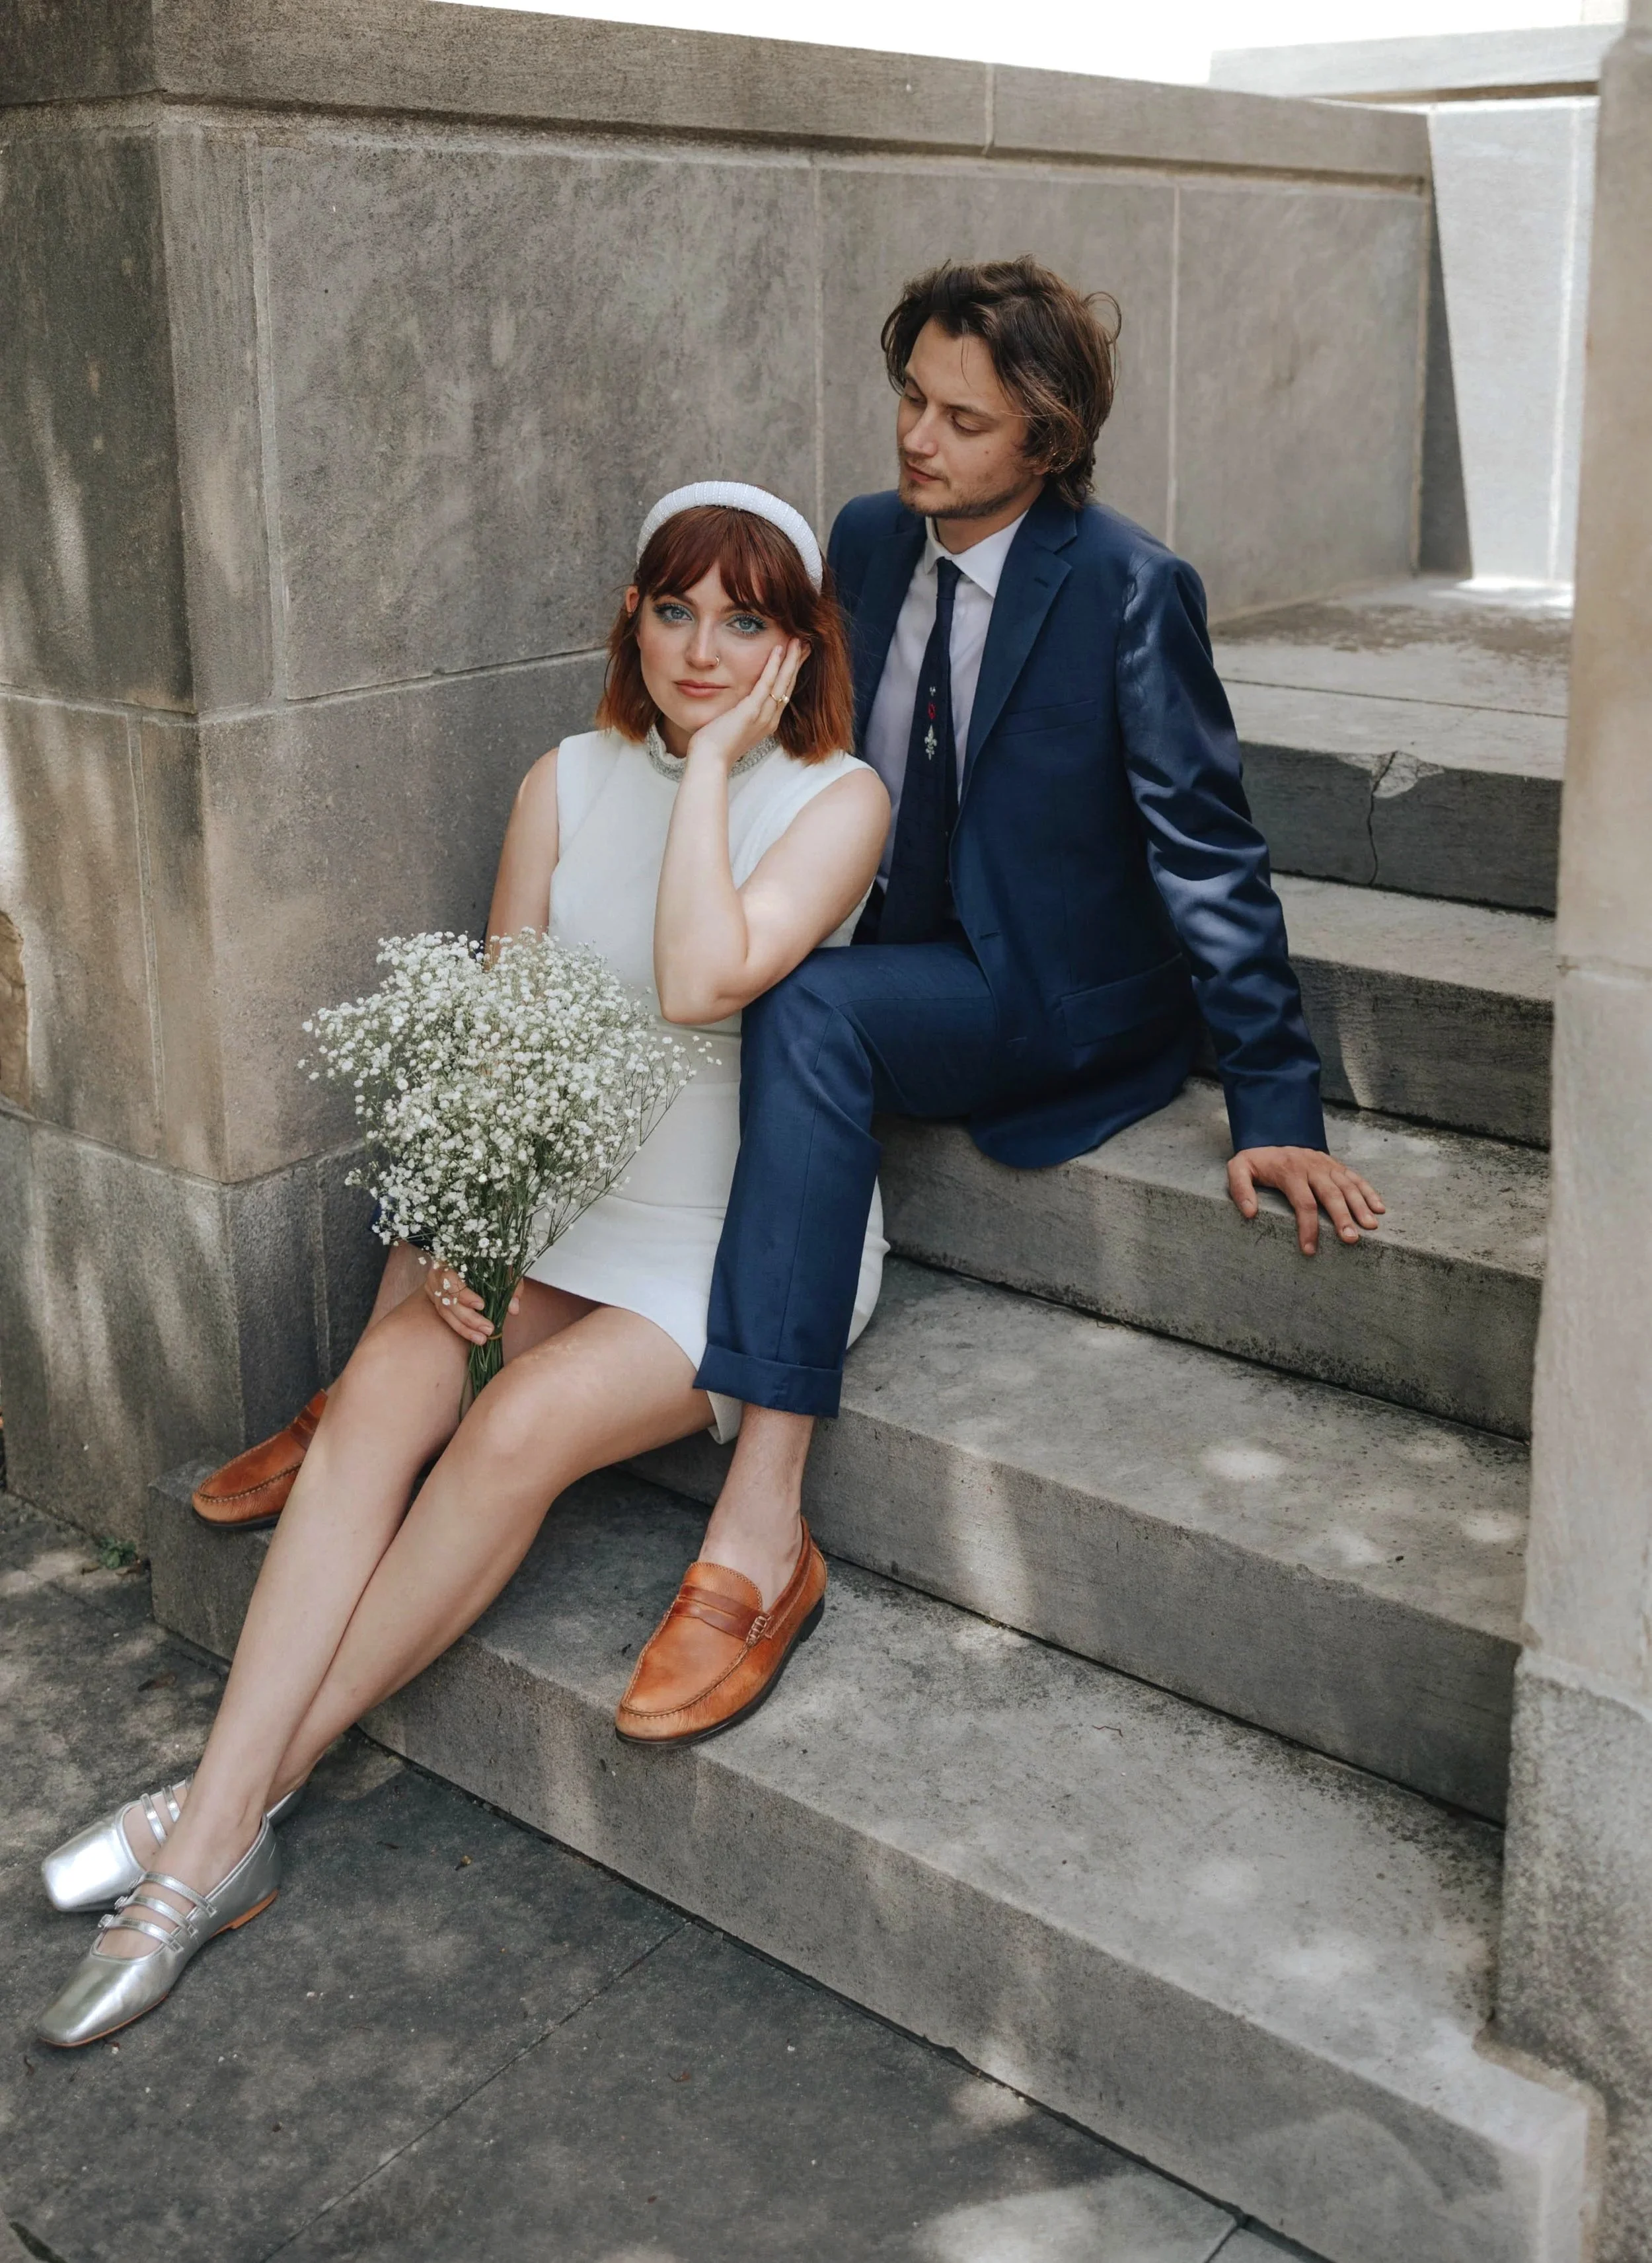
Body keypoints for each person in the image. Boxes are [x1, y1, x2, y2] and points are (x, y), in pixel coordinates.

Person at [198, 254, 1384, 1723]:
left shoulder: (1131, 591)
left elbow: (1207, 847)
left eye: (960, 418)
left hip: (1029, 985)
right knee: (593, 971)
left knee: (790, 1004)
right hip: (856, 916)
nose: (915, 437)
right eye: (908, 396)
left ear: (1045, 444)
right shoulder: (868, 537)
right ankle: (385, 1389)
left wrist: (1275, 1097)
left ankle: (761, 1515)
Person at [34, 484, 891, 2048]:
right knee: (381, 1392)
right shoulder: (559, 778)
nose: (701, 647)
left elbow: (704, 981)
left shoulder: (838, 799)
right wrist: (471, 1227)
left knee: (510, 1426)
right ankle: (224, 1816)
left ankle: (210, 1829)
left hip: (731, 1242)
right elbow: (503, 1038)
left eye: (744, 619)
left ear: (795, 643)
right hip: (564, 1208)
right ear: (630, 615)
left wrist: (707, 766)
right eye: (672, 608)